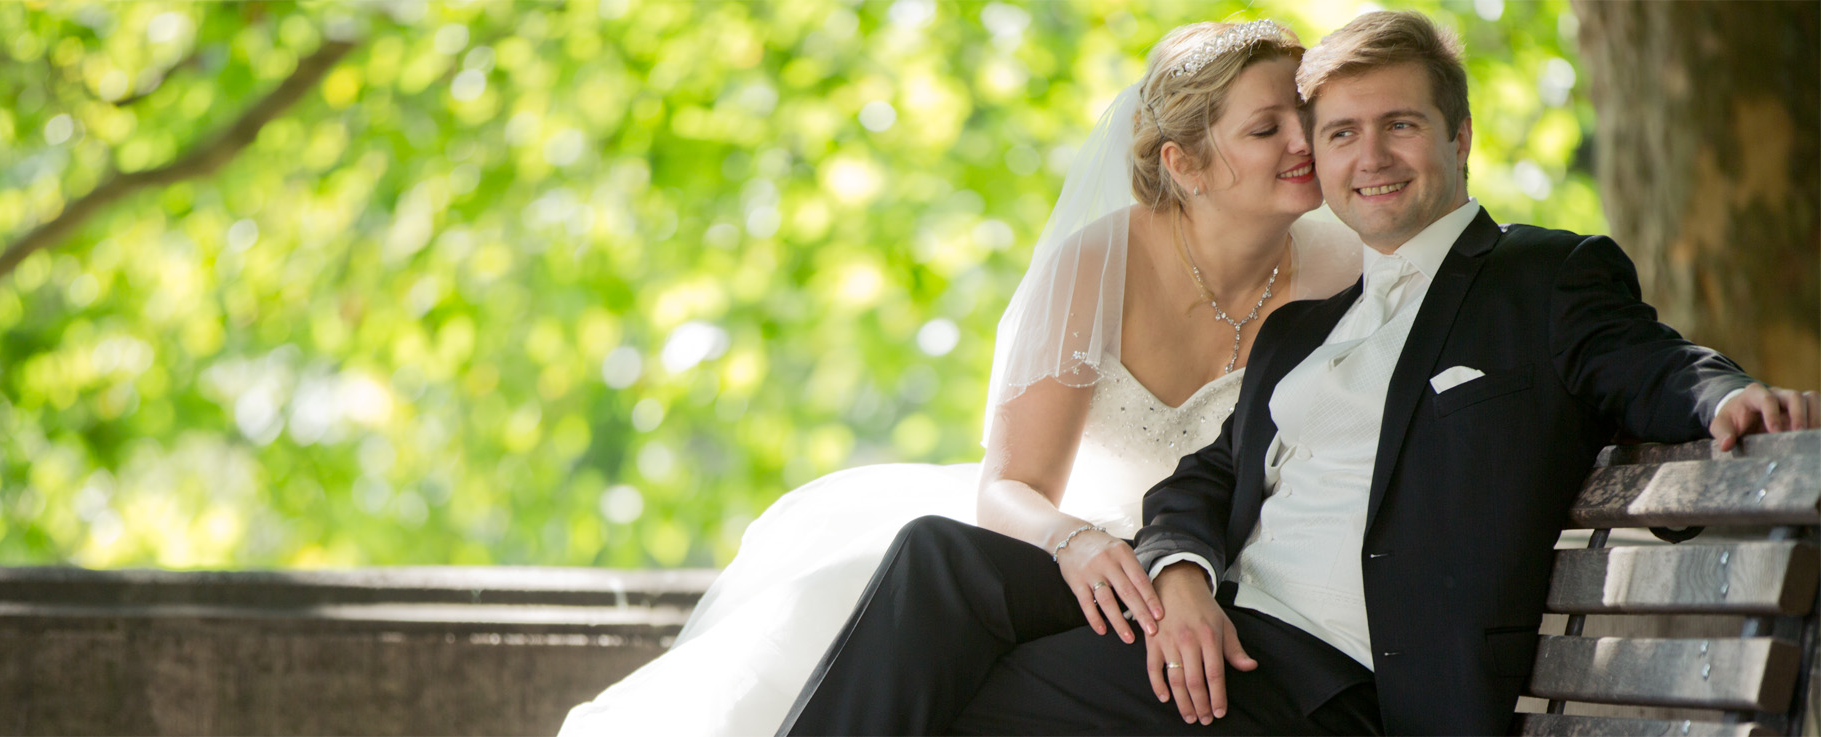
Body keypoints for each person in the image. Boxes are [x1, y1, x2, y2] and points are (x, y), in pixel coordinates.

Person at [778, 10, 1820, 737]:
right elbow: (1199, 484)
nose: (1368, 156)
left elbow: (1644, 358)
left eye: (1401, 124)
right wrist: (1181, 575)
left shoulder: (1539, 276)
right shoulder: (1305, 324)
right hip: (1225, 628)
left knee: (959, 697)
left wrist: (1726, 395)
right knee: (937, 562)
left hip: (1336, 684)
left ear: (1458, 136)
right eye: (1340, 133)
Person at [558, 20, 1362, 737]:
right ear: (1184, 164)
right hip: (1083, 547)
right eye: (1267, 128)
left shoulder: (1345, 269)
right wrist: (1073, 543)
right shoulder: (1095, 267)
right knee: (916, 577)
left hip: (1238, 562)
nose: (1304, 141)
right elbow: (1010, 485)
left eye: (1306, 116)